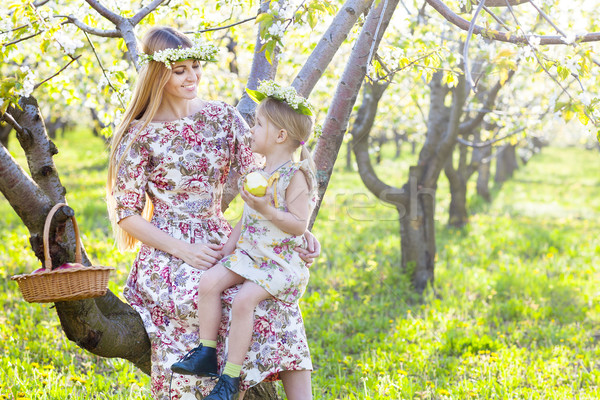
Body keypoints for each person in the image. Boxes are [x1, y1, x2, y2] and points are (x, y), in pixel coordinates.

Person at [106, 27, 318, 400]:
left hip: (223, 238)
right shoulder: (139, 135)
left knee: (266, 295)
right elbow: (126, 214)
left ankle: (247, 386)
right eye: (180, 70)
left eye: (195, 66)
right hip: (168, 251)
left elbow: (266, 179)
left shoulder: (221, 117)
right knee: (211, 299)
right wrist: (183, 250)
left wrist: (299, 230)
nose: (193, 77)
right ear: (158, 73)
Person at [171, 81, 317, 400]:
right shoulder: (260, 174)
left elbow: (298, 224)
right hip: (251, 258)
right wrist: (227, 249)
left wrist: (267, 209)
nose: (251, 129)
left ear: (280, 136)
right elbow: (246, 218)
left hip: (279, 265)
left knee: (243, 300)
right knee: (209, 282)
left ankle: (230, 378)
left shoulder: (296, 177)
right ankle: (206, 353)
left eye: (258, 124)